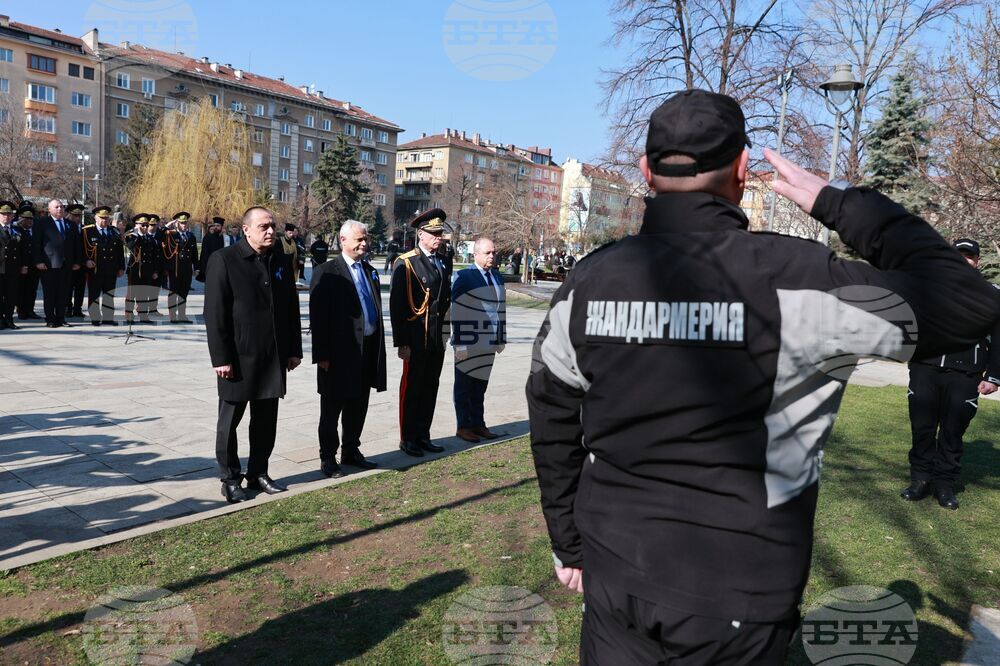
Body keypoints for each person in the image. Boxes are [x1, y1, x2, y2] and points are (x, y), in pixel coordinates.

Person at [525, 89, 1000, 665]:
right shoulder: (801, 280)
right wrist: (837, 202)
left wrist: (567, 540)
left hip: (619, 571)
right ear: (744, 171)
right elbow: (968, 303)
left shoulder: (589, 281)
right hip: (741, 583)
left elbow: (551, 416)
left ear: (646, 170)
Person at [205, 206, 303, 503]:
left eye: (272, 225)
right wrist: (221, 358)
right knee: (229, 422)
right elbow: (215, 314)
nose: (270, 231)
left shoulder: (280, 259)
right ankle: (230, 478)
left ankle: (258, 472)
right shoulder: (224, 259)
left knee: (266, 420)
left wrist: (294, 350)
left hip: (272, 356)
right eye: (263, 226)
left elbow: (290, 307)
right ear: (246, 229)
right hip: (238, 357)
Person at [901, 238, 1000, 510]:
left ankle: (945, 484)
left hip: (966, 374)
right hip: (926, 369)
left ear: (977, 261)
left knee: (953, 432)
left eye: (969, 256)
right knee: (922, 428)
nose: (964, 260)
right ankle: (919, 480)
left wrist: (993, 376)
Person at [309, 220, 386, 477]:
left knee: (358, 405)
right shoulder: (327, 271)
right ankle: (328, 458)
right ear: (343, 240)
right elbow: (318, 317)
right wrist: (322, 355)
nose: (364, 244)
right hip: (337, 355)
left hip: (366, 351)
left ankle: (351, 450)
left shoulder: (370, 271)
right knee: (332, 410)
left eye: (366, 239)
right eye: (359, 240)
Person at [390, 208, 452, 457]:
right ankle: (408, 438)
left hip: (436, 337)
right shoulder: (407, 263)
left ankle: (423, 435)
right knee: (412, 388)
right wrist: (401, 342)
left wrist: (445, 334)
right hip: (415, 338)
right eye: (434, 233)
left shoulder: (443, 261)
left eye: (440, 233)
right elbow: (398, 306)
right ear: (421, 234)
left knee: (430, 387)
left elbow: (444, 301)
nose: (439, 237)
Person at [451, 236, 506, 443]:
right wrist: (460, 343)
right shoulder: (465, 276)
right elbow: (457, 310)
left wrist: (501, 337)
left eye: (493, 252)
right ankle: (464, 426)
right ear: (475, 254)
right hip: (469, 341)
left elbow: (500, 310)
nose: (492, 256)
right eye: (487, 252)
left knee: (480, 386)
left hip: (489, 342)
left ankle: (478, 423)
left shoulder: (497, 277)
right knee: (464, 386)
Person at [33, 198, 82, 328]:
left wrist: (77, 261)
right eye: (56, 207)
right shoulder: (41, 223)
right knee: (50, 293)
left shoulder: (70, 224)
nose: (60, 209)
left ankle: (61, 318)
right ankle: (50, 319)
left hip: (67, 265)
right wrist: (38, 261)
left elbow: (76, 244)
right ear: (49, 210)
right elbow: (36, 244)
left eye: (61, 206)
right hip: (49, 265)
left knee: (64, 294)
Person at [81, 206, 125, 326]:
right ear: (95, 218)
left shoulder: (114, 231)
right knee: (94, 295)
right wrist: (86, 261)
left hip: (111, 269)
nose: (104, 220)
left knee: (109, 294)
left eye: (106, 218)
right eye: (101, 218)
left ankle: (108, 318)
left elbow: (120, 251)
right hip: (95, 269)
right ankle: (95, 318)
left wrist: (121, 267)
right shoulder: (87, 231)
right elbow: (81, 250)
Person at [162, 212, 199, 323]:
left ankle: (182, 315)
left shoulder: (191, 236)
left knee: (184, 293)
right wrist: (168, 225)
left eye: (185, 223)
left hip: (187, 269)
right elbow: (159, 234)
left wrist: (196, 268)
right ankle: (173, 316)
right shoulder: (171, 234)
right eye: (181, 223)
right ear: (177, 223)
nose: (184, 225)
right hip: (175, 269)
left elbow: (195, 254)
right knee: (173, 292)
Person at [124, 215, 161, 323]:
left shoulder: (150, 238)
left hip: (147, 269)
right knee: (132, 293)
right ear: (137, 225)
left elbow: (154, 256)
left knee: (144, 293)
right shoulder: (132, 236)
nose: (145, 227)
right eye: (143, 225)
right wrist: (136, 232)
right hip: (135, 269)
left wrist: (155, 271)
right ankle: (129, 315)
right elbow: (129, 245)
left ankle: (143, 315)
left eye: (146, 225)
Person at [0, 200, 26, 330]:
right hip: (0, 268)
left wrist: (23, 265)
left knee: (11, 296)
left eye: (9, 214)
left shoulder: (17, 230)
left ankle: (9, 319)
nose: (6, 217)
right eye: (3, 214)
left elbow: (23, 250)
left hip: (13, 268)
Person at [14, 205, 40, 320]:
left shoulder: (36, 231)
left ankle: (30, 310)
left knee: (32, 289)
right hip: (21, 266)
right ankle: (21, 311)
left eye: (31, 219)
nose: (29, 221)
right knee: (20, 289)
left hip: (34, 266)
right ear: (21, 219)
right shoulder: (17, 230)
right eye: (26, 219)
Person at [64, 204, 88, 318]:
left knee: (80, 288)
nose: (78, 218)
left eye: (79, 215)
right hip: (69, 264)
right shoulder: (65, 227)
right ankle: (67, 308)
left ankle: (77, 309)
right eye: (75, 215)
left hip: (82, 265)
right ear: (69, 215)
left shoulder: (85, 229)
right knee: (67, 287)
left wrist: (82, 262)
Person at [198, 217, 226, 282]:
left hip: (222, 266)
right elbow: (204, 254)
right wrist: (203, 269)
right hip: (210, 266)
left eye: (218, 226)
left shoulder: (225, 238)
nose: (215, 227)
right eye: (214, 225)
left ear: (222, 227)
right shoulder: (208, 237)